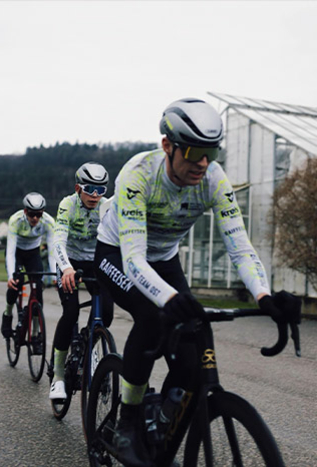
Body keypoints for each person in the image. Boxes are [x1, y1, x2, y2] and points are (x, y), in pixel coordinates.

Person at [94, 98, 300, 467]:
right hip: (117, 254)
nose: (203, 163)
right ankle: (127, 420)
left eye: (211, 152)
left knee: (192, 344)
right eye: (193, 152)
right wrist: (170, 298)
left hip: (164, 258)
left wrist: (264, 295)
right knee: (149, 315)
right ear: (167, 146)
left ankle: (161, 421)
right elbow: (135, 260)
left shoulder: (213, 180)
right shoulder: (137, 175)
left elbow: (240, 247)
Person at [49, 162, 114, 399]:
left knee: (106, 313)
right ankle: (57, 377)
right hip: (70, 261)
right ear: (78, 187)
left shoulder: (107, 207)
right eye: (89, 189)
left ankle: (87, 342)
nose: (95, 196)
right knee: (70, 311)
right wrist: (65, 268)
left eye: (101, 190)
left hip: (96, 261)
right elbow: (58, 240)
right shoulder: (68, 204)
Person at [0, 192, 56, 341]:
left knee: (38, 290)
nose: (35, 218)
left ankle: (36, 334)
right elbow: (10, 251)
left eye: (39, 214)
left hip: (33, 253)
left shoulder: (49, 222)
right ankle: (7, 314)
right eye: (32, 214)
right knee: (16, 284)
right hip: (17, 252)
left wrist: (55, 273)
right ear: (25, 211)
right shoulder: (16, 220)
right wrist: (10, 276)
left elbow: (52, 251)